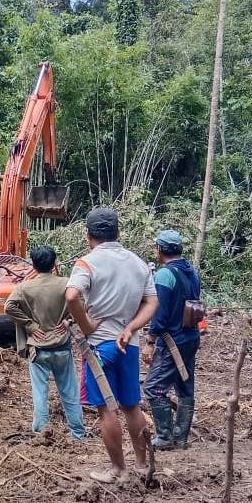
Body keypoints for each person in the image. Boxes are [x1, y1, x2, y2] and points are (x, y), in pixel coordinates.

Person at [65, 207, 158, 483]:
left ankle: (118, 470)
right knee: (132, 406)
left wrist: (85, 325)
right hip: (129, 345)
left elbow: (71, 296)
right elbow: (152, 302)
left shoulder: (87, 263)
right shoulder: (138, 263)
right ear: (118, 233)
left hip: (99, 347)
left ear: (88, 235)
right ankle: (142, 465)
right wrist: (131, 327)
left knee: (107, 408)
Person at [5, 245, 86, 439]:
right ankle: (77, 432)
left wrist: (31, 325)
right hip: (62, 346)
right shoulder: (66, 284)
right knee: (69, 392)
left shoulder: (25, 287)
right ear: (54, 263)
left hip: (38, 348)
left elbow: (9, 307)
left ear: (33, 264)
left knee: (39, 393)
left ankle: (41, 432)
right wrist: (68, 321)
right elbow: (82, 304)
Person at [143, 230, 202, 451]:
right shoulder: (192, 272)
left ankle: (165, 437)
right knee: (185, 385)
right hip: (191, 336)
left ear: (160, 249)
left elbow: (160, 313)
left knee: (154, 387)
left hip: (172, 341)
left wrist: (150, 340)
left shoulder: (165, 275)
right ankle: (181, 437)